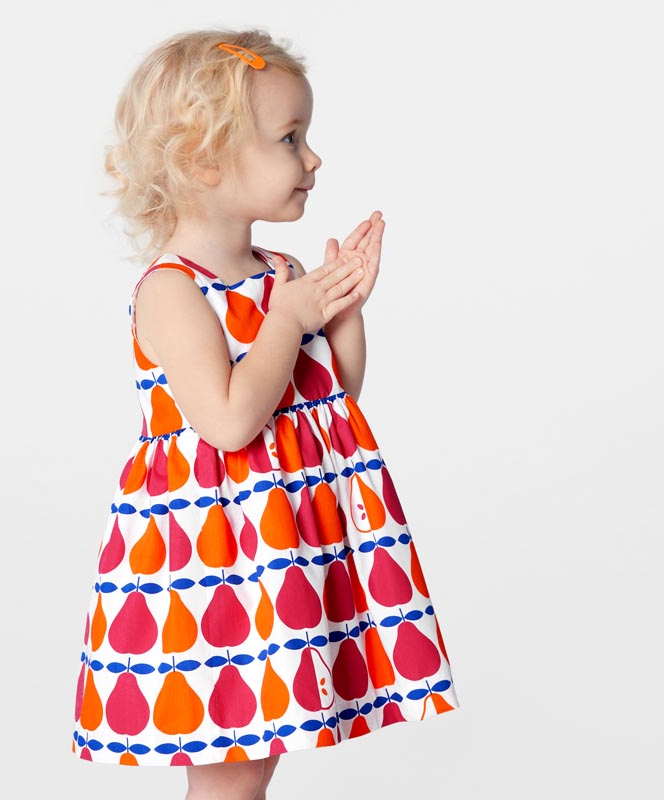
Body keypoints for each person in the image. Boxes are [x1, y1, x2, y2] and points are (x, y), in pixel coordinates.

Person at [71, 27, 460, 799]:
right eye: (290, 139)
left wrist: (341, 312)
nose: (313, 159)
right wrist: (289, 318)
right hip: (215, 563)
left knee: (254, 768)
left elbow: (331, 403)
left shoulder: (282, 272)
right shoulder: (172, 289)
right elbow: (228, 422)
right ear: (204, 160)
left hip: (281, 548)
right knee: (230, 775)